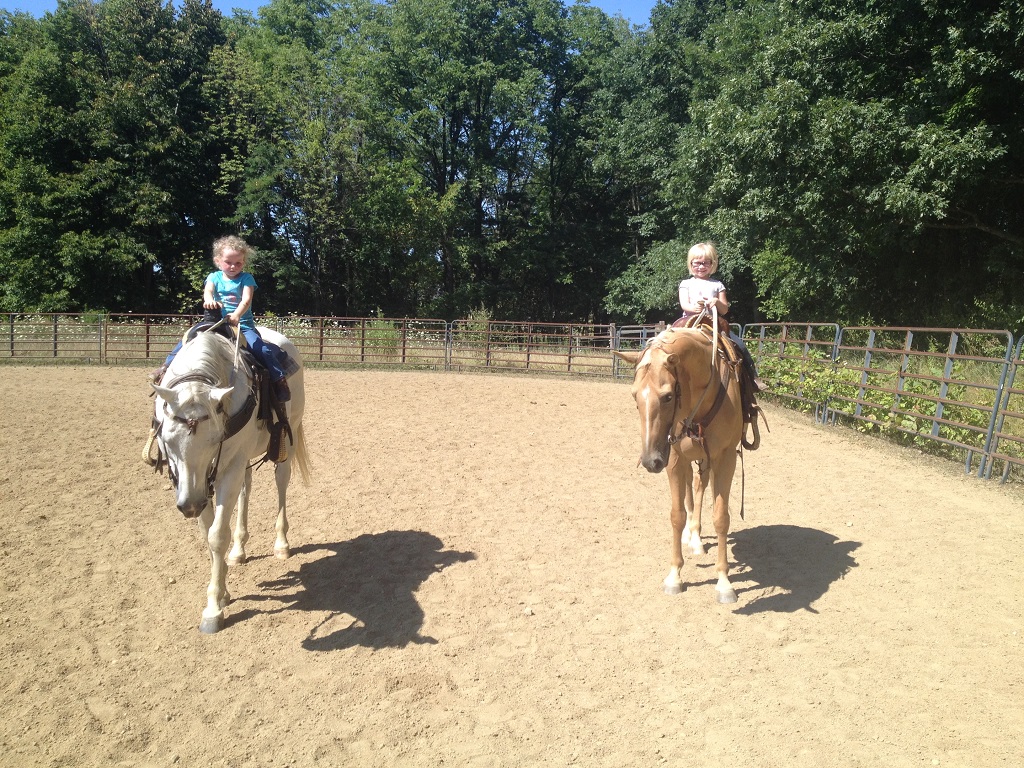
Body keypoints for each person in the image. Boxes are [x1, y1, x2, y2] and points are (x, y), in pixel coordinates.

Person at [151, 236, 291, 402]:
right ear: (218, 261)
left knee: (262, 350)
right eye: (228, 262)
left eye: (238, 263)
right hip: (214, 321)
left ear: (243, 262)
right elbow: (208, 291)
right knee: (187, 339)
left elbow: (246, 300)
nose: (233, 266)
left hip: (242, 325)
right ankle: (165, 368)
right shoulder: (213, 277)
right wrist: (209, 300)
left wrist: (237, 315)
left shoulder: (247, 279)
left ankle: (279, 380)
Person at [676, 241, 765, 392]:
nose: (701, 266)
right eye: (697, 263)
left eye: (705, 263)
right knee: (666, 339)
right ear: (690, 264)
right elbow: (684, 304)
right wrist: (695, 308)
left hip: (714, 322)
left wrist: (716, 302)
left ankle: (752, 377)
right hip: (689, 320)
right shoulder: (686, 284)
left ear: (712, 264)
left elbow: (724, 309)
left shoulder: (717, 285)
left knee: (739, 344)